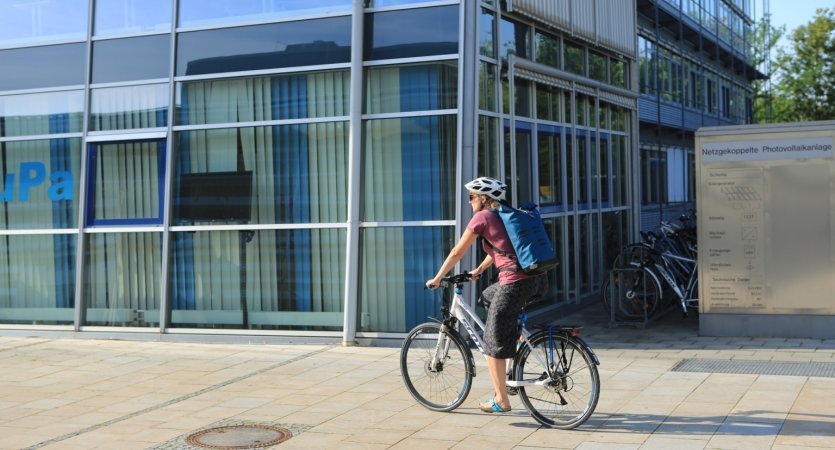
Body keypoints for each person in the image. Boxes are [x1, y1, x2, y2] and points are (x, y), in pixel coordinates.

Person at [426, 176, 548, 413]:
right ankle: (516, 336)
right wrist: (478, 271)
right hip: (537, 280)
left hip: (514, 283)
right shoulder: (505, 215)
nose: (469, 201)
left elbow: (456, 252)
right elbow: (501, 248)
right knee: (487, 296)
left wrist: (438, 278)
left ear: (483, 198)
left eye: (471, 197)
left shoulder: (481, 217)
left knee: (492, 345)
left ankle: (501, 400)